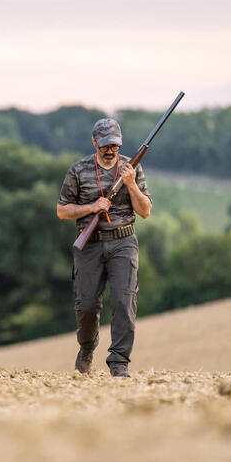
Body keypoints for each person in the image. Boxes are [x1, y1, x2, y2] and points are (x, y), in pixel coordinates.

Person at [56, 118, 153, 377]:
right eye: (104, 146)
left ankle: (119, 362)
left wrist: (131, 183)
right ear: (94, 143)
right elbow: (62, 210)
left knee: (124, 301)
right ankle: (87, 348)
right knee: (86, 306)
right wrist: (92, 207)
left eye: (115, 145)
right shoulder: (78, 170)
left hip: (123, 241)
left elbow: (145, 211)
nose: (110, 150)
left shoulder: (132, 167)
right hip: (90, 244)